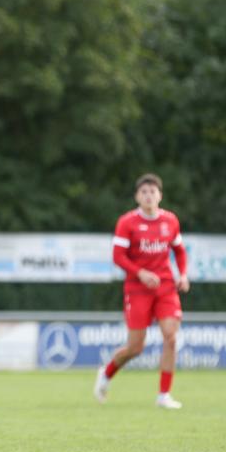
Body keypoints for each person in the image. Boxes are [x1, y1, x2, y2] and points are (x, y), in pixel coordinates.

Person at [94, 173, 189, 409]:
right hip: (137, 290)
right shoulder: (127, 222)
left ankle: (163, 395)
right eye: (144, 192)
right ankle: (106, 373)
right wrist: (141, 273)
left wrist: (183, 274)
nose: (148, 196)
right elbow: (118, 256)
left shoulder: (170, 221)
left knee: (171, 337)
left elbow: (179, 250)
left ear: (160, 195)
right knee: (136, 347)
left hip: (165, 287)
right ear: (137, 196)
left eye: (152, 191)